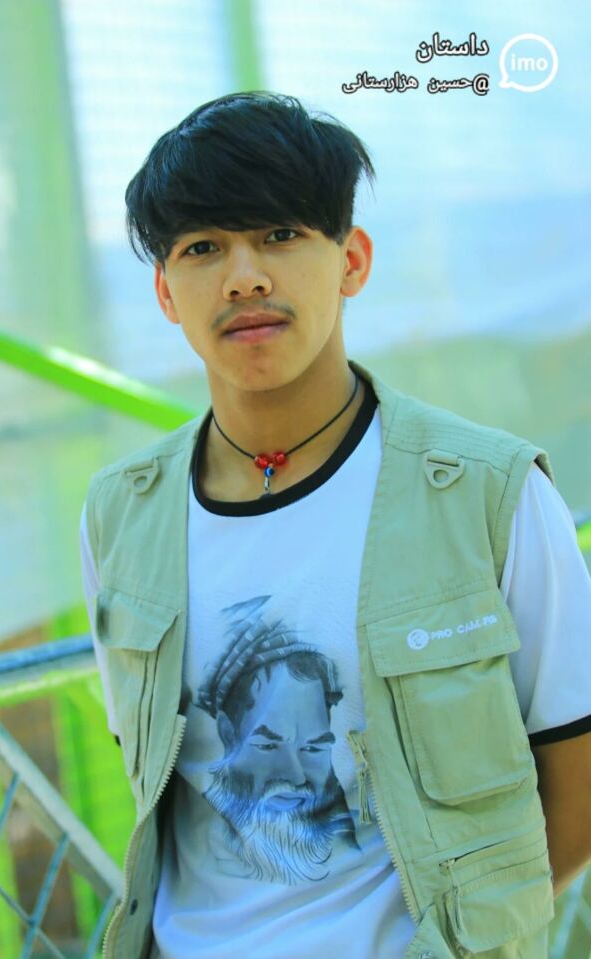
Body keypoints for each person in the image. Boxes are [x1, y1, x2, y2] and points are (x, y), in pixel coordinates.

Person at [80, 92, 591, 959]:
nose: (244, 277)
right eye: (203, 247)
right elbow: (160, 774)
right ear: (166, 291)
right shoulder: (122, 515)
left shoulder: (489, 492)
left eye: (280, 234)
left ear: (351, 260)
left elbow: (577, 786)